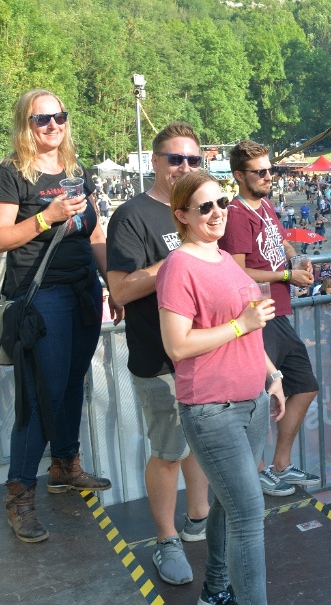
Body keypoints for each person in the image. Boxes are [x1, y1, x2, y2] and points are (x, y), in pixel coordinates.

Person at [0, 89, 114, 543]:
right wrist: (46, 217)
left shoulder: (76, 170)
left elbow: (95, 233)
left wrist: (112, 283)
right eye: (42, 119)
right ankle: (19, 494)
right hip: (42, 297)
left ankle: (64, 465)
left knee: (73, 382)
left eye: (59, 116)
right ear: (26, 124)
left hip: (83, 291)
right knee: (40, 396)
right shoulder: (11, 173)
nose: (53, 125)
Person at [156, 171, 285, 605]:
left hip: (252, 402)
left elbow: (251, 326)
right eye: (205, 207)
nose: (217, 212)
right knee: (248, 514)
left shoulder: (225, 258)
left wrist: (272, 376)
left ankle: (214, 589)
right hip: (212, 408)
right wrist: (239, 325)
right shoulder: (178, 266)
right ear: (182, 215)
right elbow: (177, 345)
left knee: (230, 505)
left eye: (222, 202)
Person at [106, 122, 216, 589]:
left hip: (205, 354)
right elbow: (120, 289)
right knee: (170, 450)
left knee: (200, 443)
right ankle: (166, 538)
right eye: (176, 159)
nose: (185, 167)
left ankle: (199, 517)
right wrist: (180, 256)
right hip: (159, 358)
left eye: (194, 160)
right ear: (154, 162)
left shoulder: (203, 207)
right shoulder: (132, 216)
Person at [219, 140, 319, 497]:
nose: (267, 176)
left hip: (278, 312)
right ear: (238, 175)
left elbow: (280, 242)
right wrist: (286, 276)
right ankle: (258, 469)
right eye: (259, 172)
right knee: (258, 398)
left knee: (305, 385)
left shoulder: (264, 206)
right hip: (257, 315)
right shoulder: (236, 213)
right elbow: (237, 271)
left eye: (269, 170)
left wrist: (296, 258)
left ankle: (280, 464)